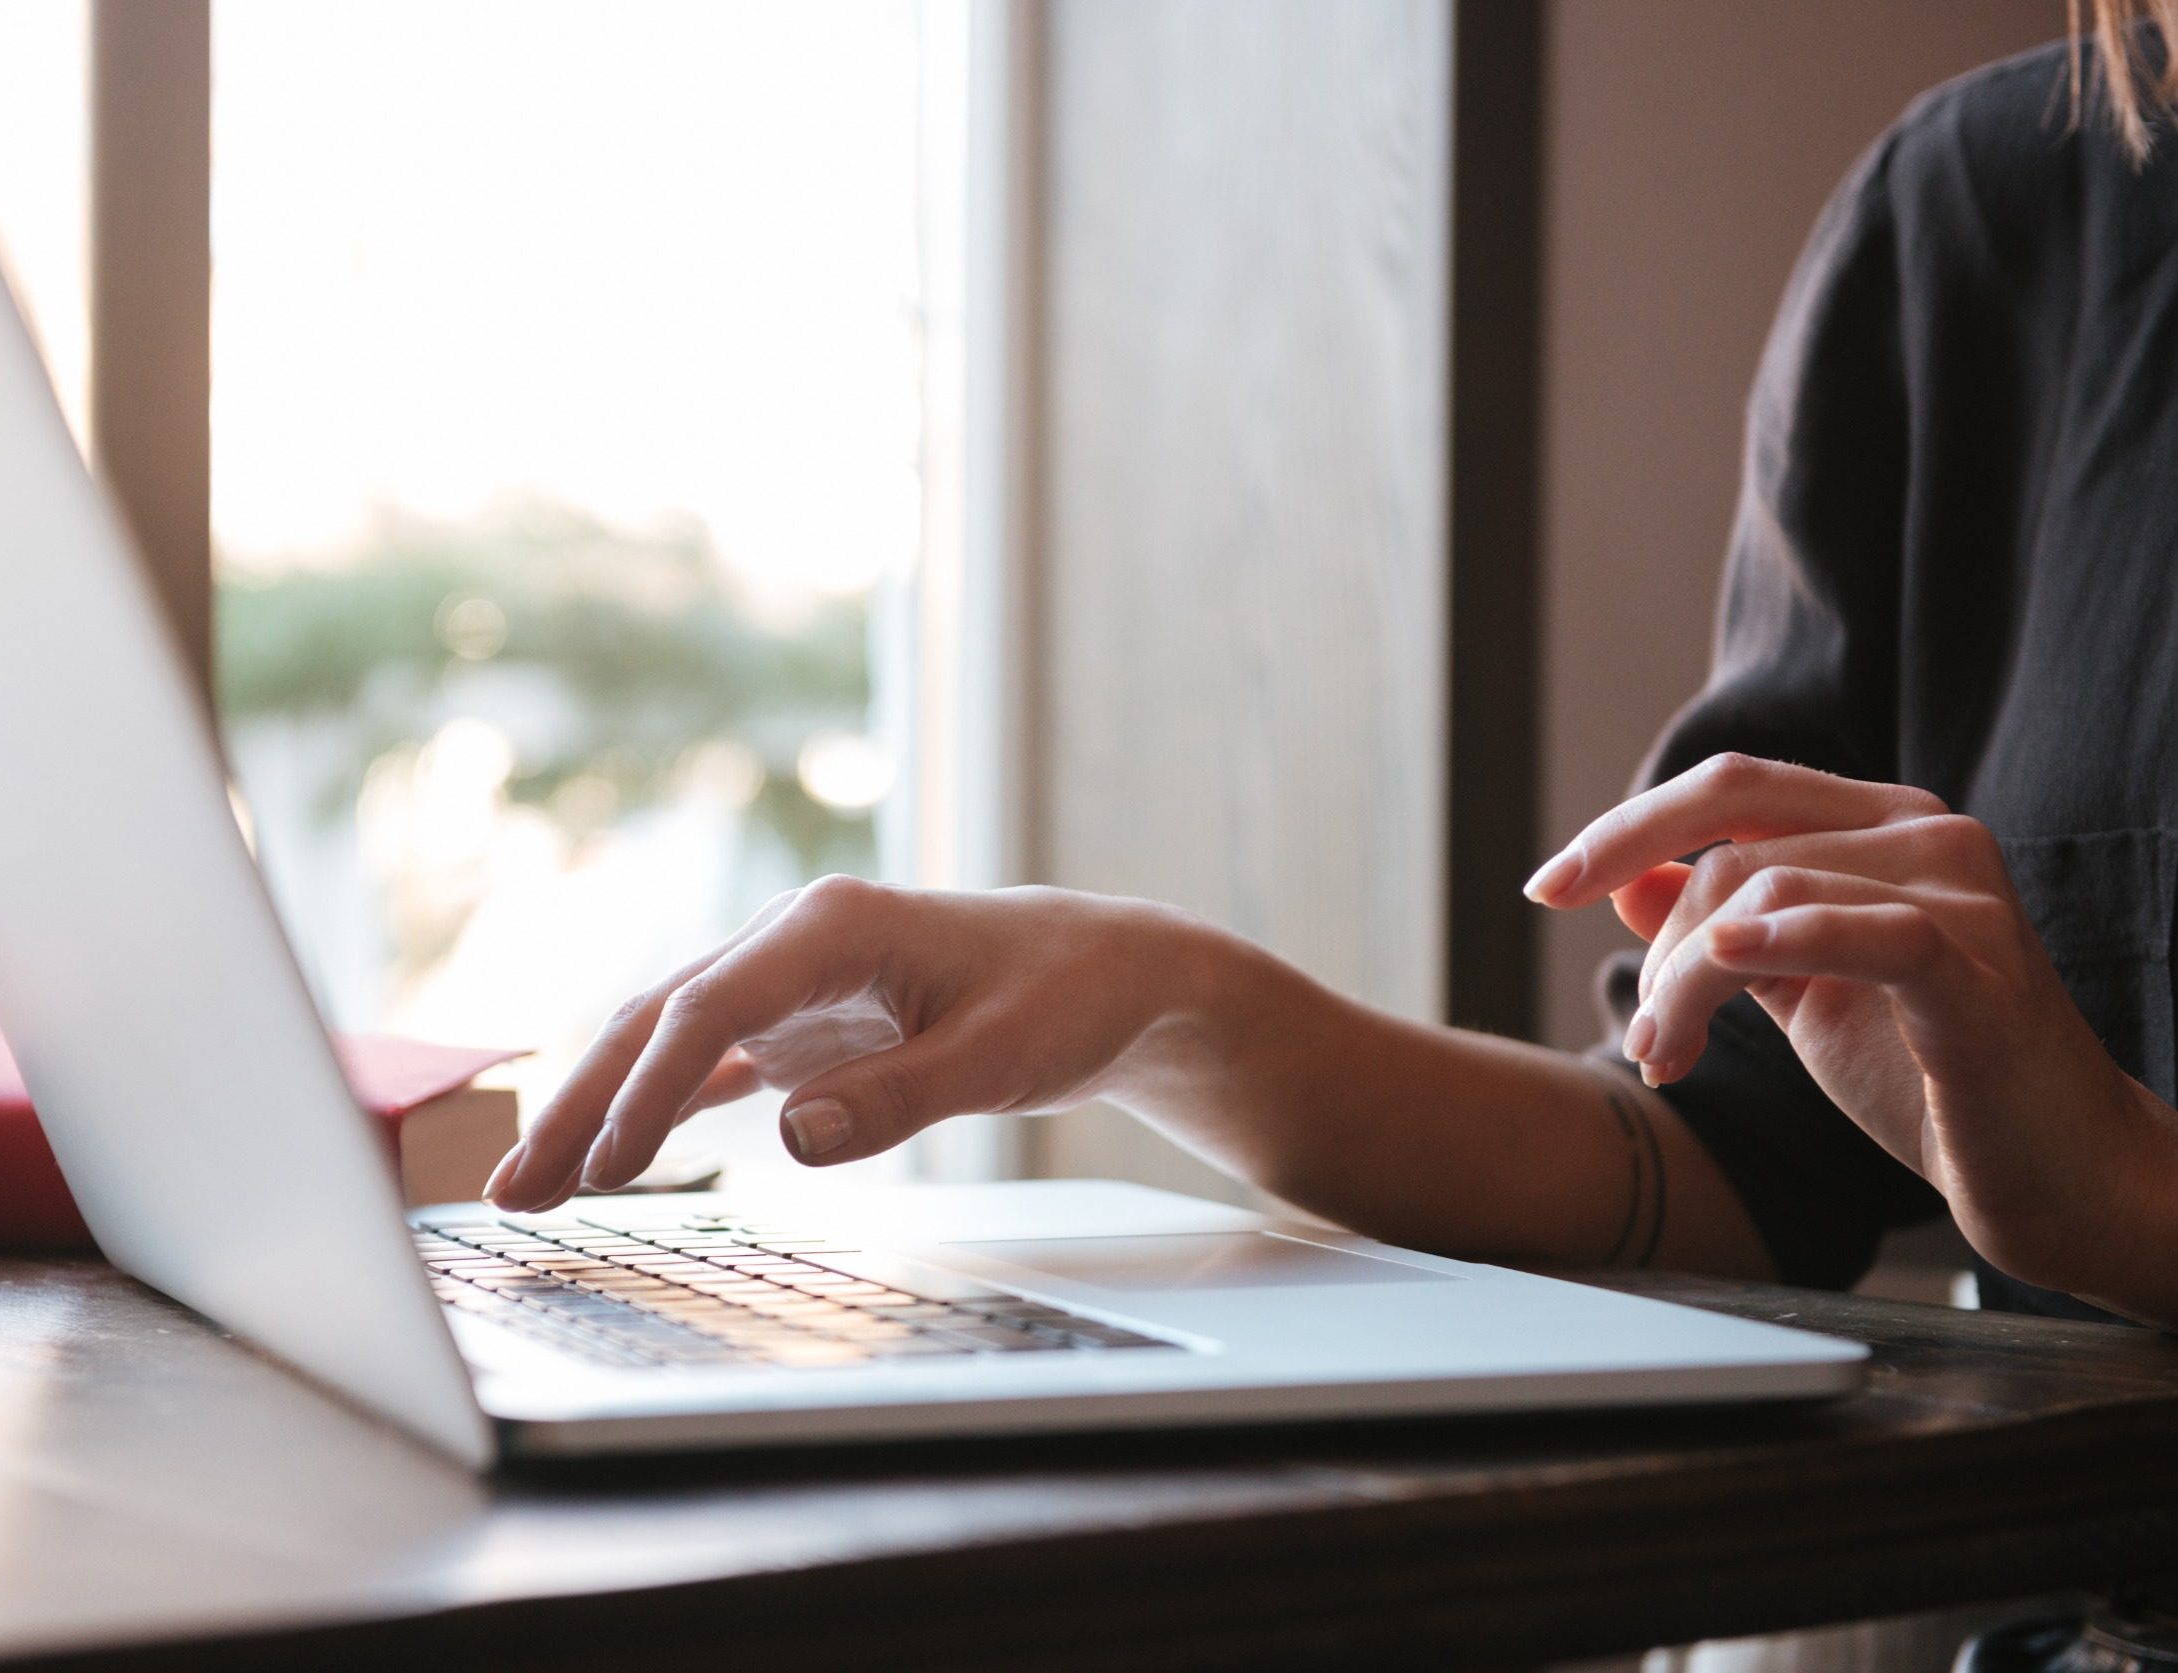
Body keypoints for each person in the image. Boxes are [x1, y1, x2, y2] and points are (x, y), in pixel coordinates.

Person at [486, 3, 2178, 1339]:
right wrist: (1161, 1002)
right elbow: (1740, 1167)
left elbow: (2082, 1190)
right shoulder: (1988, 215)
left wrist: (2131, 1195)